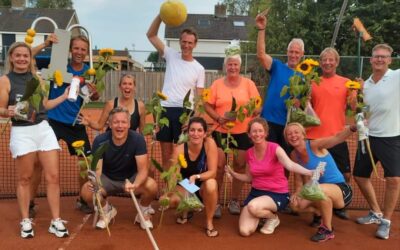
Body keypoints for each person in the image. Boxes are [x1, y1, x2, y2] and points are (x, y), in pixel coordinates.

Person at [0, 42, 69, 238]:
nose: (22, 59)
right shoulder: (5, 80)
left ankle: (56, 221)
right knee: (25, 178)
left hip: (43, 128)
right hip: (22, 132)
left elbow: (45, 105)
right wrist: (7, 111)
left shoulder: (38, 79)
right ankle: (25, 221)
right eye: (18, 55)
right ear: (11, 58)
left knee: (53, 177)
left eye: (26, 56)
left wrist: (64, 96)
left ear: (31, 59)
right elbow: (1, 108)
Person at [30, 35, 99, 215]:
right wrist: (46, 43)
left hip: (74, 122)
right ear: (70, 49)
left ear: (86, 52)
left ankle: (83, 199)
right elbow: (29, 55)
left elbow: (92, 97)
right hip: (52, 120)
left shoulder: (90, 72)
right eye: (76, 48)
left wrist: (95, 93)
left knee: (85, 163)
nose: (79, 52)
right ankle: (29, 202)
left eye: (83, 49)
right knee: (38, 163)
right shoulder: (57, 65)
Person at [225, 118, 314, 237]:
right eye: (254, 131)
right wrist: (233, 173)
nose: (257, 134)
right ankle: (262, 214)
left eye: (260, 131)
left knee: (253, 207)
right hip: (256, 193)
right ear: (249, 135)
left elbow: (289, 164)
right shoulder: (249, 153)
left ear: (266, 133)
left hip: (276, 193)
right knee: (245, 231)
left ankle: (272, 217)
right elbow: (249, 177)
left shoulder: (275, 148)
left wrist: (309, 172)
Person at [81, 107, 158, 230]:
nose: (120, 126)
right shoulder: (100, 141)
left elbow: (143, 170)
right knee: (86, 191)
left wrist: (135, 184)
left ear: (129, 124)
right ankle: (107, 210)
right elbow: (98, 170)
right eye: (116, 122)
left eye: (123, 122)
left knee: (152, 185)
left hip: (131, 179)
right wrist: (95, 183)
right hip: (108, 179)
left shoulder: (138, 140)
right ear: (110, 124)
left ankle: (143, 212)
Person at [204, 52, 261, 216]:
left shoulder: (249, 84)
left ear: (240, 66)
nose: (233, 67)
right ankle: (215, 202)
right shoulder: (216, 84)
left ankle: (234, 200)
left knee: (240, 166)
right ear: (225, 66)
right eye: (230, 64)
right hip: (221, 132)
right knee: (219, 167)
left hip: (242, 133)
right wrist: (218, 118)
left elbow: (257, 107)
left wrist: (245, 111)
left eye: (235, 64)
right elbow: (207, 105)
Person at [353, 43, 400, 240]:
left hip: (391, 138)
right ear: (371, 60)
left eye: (383, 57)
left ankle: (386, 221)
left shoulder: (397, 76)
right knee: (360, 176)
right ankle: (375, 212)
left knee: (394, 180)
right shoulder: (366, 84)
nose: (379, 59)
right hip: (368, 137)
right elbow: (364, 109)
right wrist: (360, 117)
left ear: (390, 60)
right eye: (376, 56)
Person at [147, 14, 205, 170]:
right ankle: (168, 192)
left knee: (181, 155)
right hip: (165, 110)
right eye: (184, 42)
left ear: (195, 44)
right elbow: (151, 35)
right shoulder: (171, 55)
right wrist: (161, 15)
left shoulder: (199, 69)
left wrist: (192, 119)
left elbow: (199, 100)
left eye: (190, 43)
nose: (186, 45)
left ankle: (180, 190)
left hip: (185, 113)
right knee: (166, 156)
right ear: (180, 42)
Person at [307, 47, 355, 220]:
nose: (327, 62)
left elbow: (354, 107)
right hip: (316, 138)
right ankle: (318, 213)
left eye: (331, 59)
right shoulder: (312, 82)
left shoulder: (346, 83)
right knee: (316, 177)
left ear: (337, 62)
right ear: (320, 63)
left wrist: (358, 91)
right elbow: (305, 108)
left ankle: (340, 203)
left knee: (345, 174)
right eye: (324, 60)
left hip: (337, 137)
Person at [285, 122, 354, 242]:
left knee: (317, 189)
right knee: (295, 205)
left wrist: (352, 128)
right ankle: (319, 211)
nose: (293, 135)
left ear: (303, 134)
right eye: (289, 134)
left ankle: (327, 230)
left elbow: (337, 138)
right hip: (318, 188)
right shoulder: (294, 155)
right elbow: (299, 181)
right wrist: (297, 193)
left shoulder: (314, 145)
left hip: (341, 190)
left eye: (296, 132)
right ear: (286, 138)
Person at [255, 11, 304, 156]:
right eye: (291, 51)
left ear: (302, 54)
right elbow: (261, 55)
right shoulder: (277, 66)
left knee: (285, 164)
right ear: (287, 52)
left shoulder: (305, 77)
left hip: (288, 127)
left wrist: (299, 102)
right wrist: (261, 29)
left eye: (297, 52)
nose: (293, 55)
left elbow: (305, 103)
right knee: (267, 159)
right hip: (268, 122)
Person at [162, 117, 219, 237]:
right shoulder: (179, 149)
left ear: (204, 133)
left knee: (212, 184)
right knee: (171, 201)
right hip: (185, 184)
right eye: (192, 130)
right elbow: (174, 175)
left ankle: (209, 222)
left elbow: (213, 172)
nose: (196, 134)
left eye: (199, 130)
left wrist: (196, 176)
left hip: (202, 183)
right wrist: (167, 193)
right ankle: (187, 209)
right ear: (188, 132)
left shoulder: (210, 144)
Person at [79, 74, 145, 133]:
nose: (127, 86)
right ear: (120, 86)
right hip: (111, 143)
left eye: (130, 84)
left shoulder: (140, 106)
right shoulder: (110, 104)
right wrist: (89, 122)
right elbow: (99, 126)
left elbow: (142, 132)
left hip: (130, 144)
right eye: (124, 83)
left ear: (134, 87)